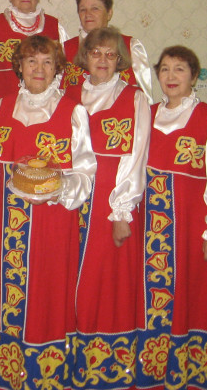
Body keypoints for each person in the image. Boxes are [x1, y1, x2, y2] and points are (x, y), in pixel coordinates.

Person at [0, 36, 96, 390]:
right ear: (20, 67)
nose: (38, 69)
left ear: (57, 69)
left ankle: (46, 377)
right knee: (5, 297)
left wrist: (57, 188)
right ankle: (3, 377)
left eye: (46, 62)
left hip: (53, 221)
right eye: (31, 61)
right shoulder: (2, 106)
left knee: (47, 295)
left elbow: (86, 174)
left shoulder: (73, 111)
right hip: (8, 221)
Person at [137, 46, 207, 390]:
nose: (171, 76)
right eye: (164, 69)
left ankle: (195, 378)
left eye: (179, 69)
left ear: (193, 75)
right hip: (149, 232)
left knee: (196, 299)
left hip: (193, 229)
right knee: (151, 302)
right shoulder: (145, 115)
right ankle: (154, 376)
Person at [69, 27, 150, 390]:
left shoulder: (134, 98)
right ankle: (71, 368)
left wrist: (121, 211)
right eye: (95, 53)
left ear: (120, 60)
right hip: (71, 204)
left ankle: (107, 373)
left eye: (110, 54)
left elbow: (137, 156)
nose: (102, 60)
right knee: (72, 283)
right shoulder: (68, 94)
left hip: (110, 202)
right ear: (84, 57)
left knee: (106, 286)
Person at [60, 0, 153, 103]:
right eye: (83, 9)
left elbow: (145, 99)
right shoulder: (65, 49)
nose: (88, 14)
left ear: (109, 13)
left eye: (95, 8)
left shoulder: (131, 46)